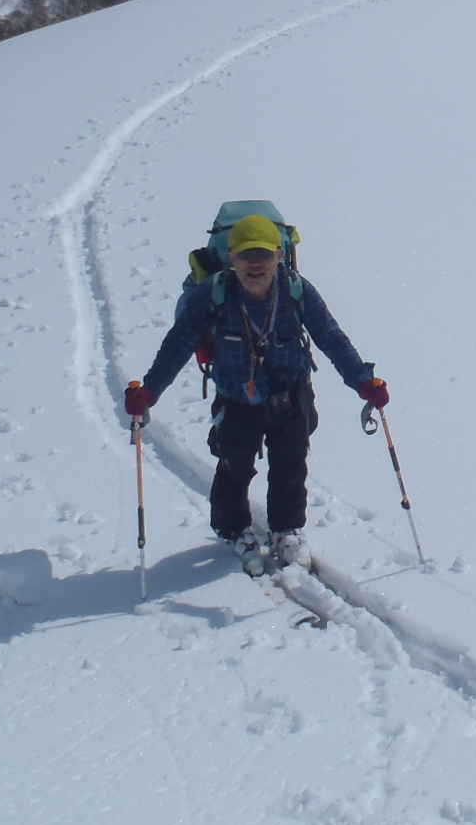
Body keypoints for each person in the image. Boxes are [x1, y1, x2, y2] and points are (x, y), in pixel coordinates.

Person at [122, 212, 387, 566]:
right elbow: (178, 344)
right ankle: (233, 530)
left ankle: (287, 530)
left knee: (290, 465)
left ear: (280, 254)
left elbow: (331, 337)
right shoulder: (212, 294)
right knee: (235, 465)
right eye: (246, 255)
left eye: (263, 254)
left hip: (291, 394)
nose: (255, 263)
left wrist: (362, 380)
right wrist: (150, 391)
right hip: (235, 397)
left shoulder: (297, 290)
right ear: (232, 259)